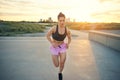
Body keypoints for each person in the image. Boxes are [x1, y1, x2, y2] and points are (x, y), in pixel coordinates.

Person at [46, 12, 71, 80]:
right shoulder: (54, 28)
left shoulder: (67, 29)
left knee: (62, 62)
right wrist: (52, 43)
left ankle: (60, 73)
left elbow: (69, 38)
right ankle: (58, 65)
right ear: (58, 21)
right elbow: (47, 35)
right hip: (54, 47)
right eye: (60, 20)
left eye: (63, 20)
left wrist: (68, 44)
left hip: (62, 46)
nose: (62, 22)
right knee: (56, 65)